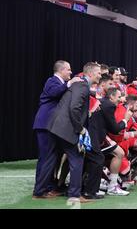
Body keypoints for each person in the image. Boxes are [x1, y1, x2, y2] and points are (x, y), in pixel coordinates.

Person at [46, 62, 102, 204]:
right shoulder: (82, 85)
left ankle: (50, 189)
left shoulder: (82, 85)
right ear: (90, 74)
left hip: (59, 127)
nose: (100, 76)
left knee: (58, 159)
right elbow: (74, 109)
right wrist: (80, 129)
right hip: (66, 128)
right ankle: (74, 195)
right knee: (77, 159)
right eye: (99, 73)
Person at [32, 60, 82, 199]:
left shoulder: (59, 83)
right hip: (45, 124)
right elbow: (54, 93)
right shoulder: (52, 81)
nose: (71, 72)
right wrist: (69, 84)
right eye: (69, 70)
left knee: (50, 157)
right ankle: (39, 191)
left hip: (51, 126)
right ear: (61, 70)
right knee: (47, 158)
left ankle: (46, 187)